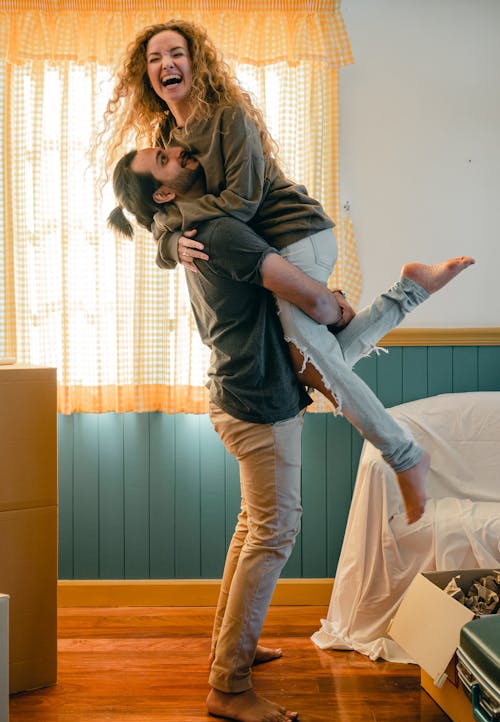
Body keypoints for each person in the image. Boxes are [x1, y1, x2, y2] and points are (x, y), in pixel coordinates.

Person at [107, 144, 475, 525]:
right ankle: (405, 450)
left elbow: (162, 224)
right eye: (163, 159)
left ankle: (405, 446)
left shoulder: (198, 222)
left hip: (246, 384)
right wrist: (334, 307)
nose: (179, 150)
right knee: (270, 529)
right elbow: (316, 305)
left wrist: (331, 303)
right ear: (164, 195)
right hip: (256, 395)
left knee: (262, 525)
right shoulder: (213, 231)